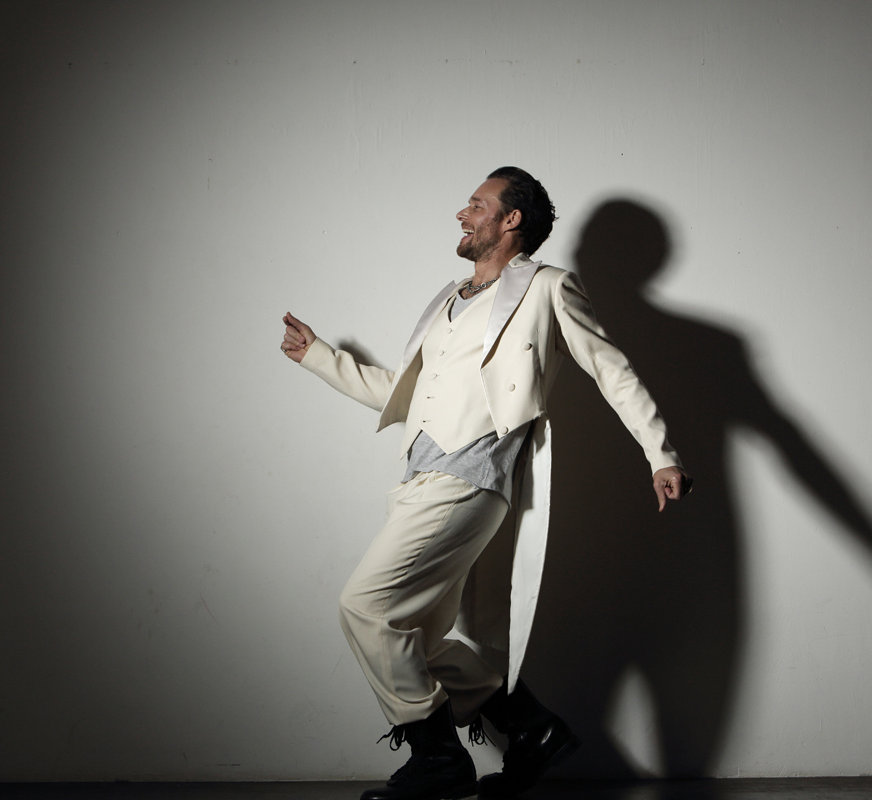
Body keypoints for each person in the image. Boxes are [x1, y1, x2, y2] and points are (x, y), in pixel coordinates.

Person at [280, 167, 690, 800]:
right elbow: (405, 396)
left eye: (476, 204)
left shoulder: (548, 288)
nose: (461, 214)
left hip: (470, 477)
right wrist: (318, 356)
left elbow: (612, 370)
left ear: (510, 219)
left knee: (365, 607)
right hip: (417, 480)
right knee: (415, 636)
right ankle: (531, 728)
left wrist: (660, 453)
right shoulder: (448, 300)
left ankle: (437, 757)